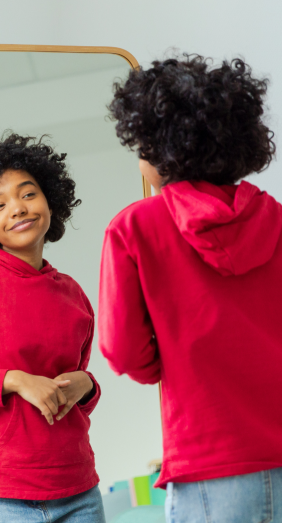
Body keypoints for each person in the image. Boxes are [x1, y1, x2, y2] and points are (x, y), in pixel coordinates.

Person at [98, 54, 282, 522]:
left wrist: (172, 359)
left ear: (162, 149)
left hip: (209, 460)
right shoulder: (276, 219)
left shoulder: (135, 227)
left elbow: (123, 351)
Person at [0, 133, 105, 522]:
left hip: (80, 488)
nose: (17, 209)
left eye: (28, 195)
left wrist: (88, 385)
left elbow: (68, 387)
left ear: (50, 201)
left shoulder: (73, 295)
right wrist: (13, 380)